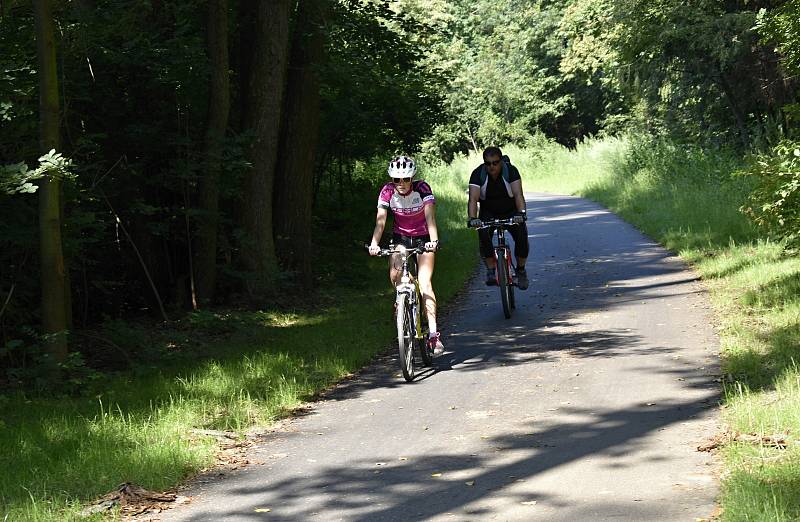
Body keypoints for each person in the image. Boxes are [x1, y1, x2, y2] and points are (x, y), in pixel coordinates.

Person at [368, 155, 445, 355]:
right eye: (397, 180)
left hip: (423, 237)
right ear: (392, 180)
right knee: (396, 276)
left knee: (425, 281)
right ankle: (406, 298)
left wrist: (434, 241)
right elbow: (381, 220)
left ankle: (434, 334)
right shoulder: (387, 191)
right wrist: (375, 244)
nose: (401, 184)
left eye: (406, 179)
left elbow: (430, 216)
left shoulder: (422, 189)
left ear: (412, 178)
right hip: (400, 238)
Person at [467, 146, 530, 290]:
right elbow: (473, 199)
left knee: (521, 235)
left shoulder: (511, 171)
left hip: (511, 210)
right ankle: (490, 269)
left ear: (501, 161)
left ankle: (520, 270)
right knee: (482, 232)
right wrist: (472, 218)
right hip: (488, 211)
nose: (492, 166)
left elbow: (519, 195)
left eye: (495, 163)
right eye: (488, 163)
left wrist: (521, 213)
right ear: (484, 163)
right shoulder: (478, 174)